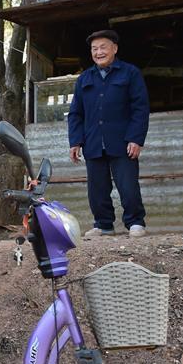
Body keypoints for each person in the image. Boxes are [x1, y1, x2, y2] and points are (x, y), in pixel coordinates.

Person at [67, 29, 150, 238]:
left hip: (122, 141)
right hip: (93, 141)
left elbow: (140, 108)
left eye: (103, 47)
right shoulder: (85, 78)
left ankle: (135, 222)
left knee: (128, 184)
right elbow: (76, 113)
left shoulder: (130, 73)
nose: (98, 52)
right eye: (94, 49)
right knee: (97, 189)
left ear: (114, 49)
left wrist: (135, 138)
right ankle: (103, 224)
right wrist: (75, 141)